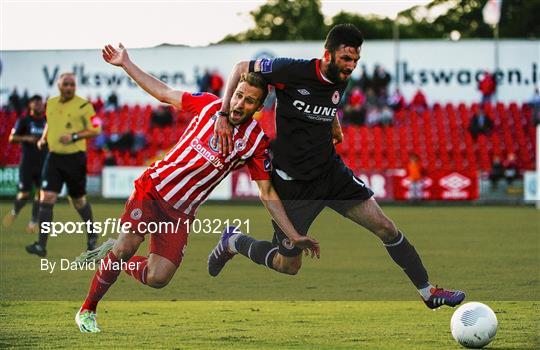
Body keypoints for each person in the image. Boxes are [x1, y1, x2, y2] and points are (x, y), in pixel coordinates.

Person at [210, 23, 465, 310]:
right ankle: (234, 241)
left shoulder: (341, 78)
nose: (351, 66)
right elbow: (239, 66)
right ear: (327, 55)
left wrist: (334, 124)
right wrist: (222, 113)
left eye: (356, 60)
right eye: (346, 58)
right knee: (287, 265)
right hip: (294, 185)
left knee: (386, 227)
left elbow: (327, 101)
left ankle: (428, 291)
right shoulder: (292, 70)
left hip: (331, 174)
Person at [73, 44, 319, 333]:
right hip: (153, 189)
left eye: (249, 101)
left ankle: (113, 255)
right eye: (239, 95)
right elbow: (164, 93)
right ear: (233, 93)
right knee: (128, 246)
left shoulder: (256, 143)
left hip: (181, 212)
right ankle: (87, 310)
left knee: (158, 278)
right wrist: (127, 63)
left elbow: (266, 193)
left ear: (258, 107)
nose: (240, 104)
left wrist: (293, 235)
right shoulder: (209, 105)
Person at [25, 73, 102, 257]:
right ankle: (41, 245)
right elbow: (50, 123)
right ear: (59, 85)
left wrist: (74, 136)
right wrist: (44, 138)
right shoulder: (51, 103)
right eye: (66, 84)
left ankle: (92, 234)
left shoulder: (84, 105)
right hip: (53, 158)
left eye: (72, 84)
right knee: (46, 198)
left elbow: (96, 128)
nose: (69, 87)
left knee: (78, 201)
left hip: (75, 159)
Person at [3, 95, 47, 233]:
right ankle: (15, 210)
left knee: (41, 194)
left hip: (43, 163)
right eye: (35, 103)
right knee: (24, 193)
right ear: (30, 105)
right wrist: (26, 137)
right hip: (27, 163)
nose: (38, 105)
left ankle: (33, 222)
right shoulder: (24, 121)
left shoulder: (48, 122)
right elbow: (12, 138)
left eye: (40, 103)